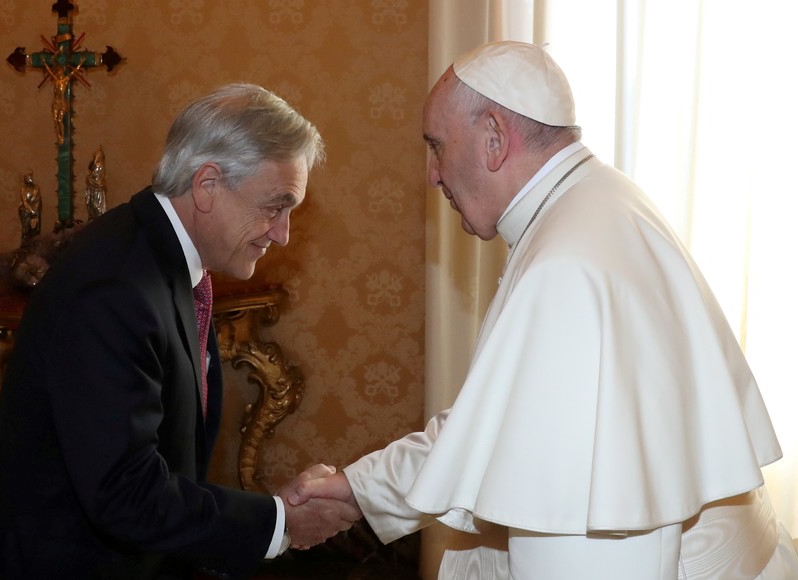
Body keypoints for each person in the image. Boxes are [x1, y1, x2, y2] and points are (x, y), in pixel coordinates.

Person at [288, 41, 798, 579]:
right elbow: (502, 422)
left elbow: (588, 532)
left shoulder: (566, 265)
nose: (433, 174)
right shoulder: (598, 200)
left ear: (493, 138)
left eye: (437, 146)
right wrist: (360, 489)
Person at [0, 83, 359, 579]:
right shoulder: (115, 288)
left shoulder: (159, 257)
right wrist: (279, 522)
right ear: (207, 185)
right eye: (275, 206)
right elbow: (125, 490)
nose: (282, 233)